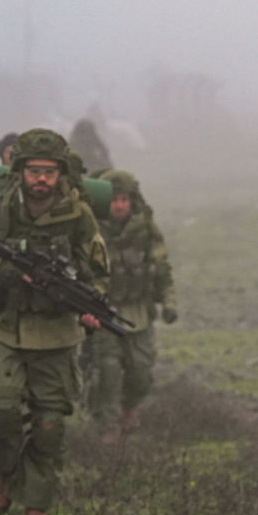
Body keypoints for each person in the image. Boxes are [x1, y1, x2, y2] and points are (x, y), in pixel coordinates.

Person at [0, 128, 110, 515]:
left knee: (50, 425)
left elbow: (98, 272)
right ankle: (1, 474)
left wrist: (91, 306)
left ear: (61, 174)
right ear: (19, 171)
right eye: (34, 171)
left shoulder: (77, 215)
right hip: (4, 325)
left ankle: (36, 505)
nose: (42, 180)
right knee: (1, 408)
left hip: (57, 333)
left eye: (50, 172)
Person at [82, 169, 175, 441]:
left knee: (141, 373)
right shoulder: (89, 230)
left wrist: (169, 303)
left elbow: (162, 269)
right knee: (107, 371)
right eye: (113, 200)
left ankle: (127, 409)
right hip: (102, 312)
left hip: (139, 312)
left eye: (124, 199)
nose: (119, 205)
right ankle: (107, 426)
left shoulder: (145, 228)